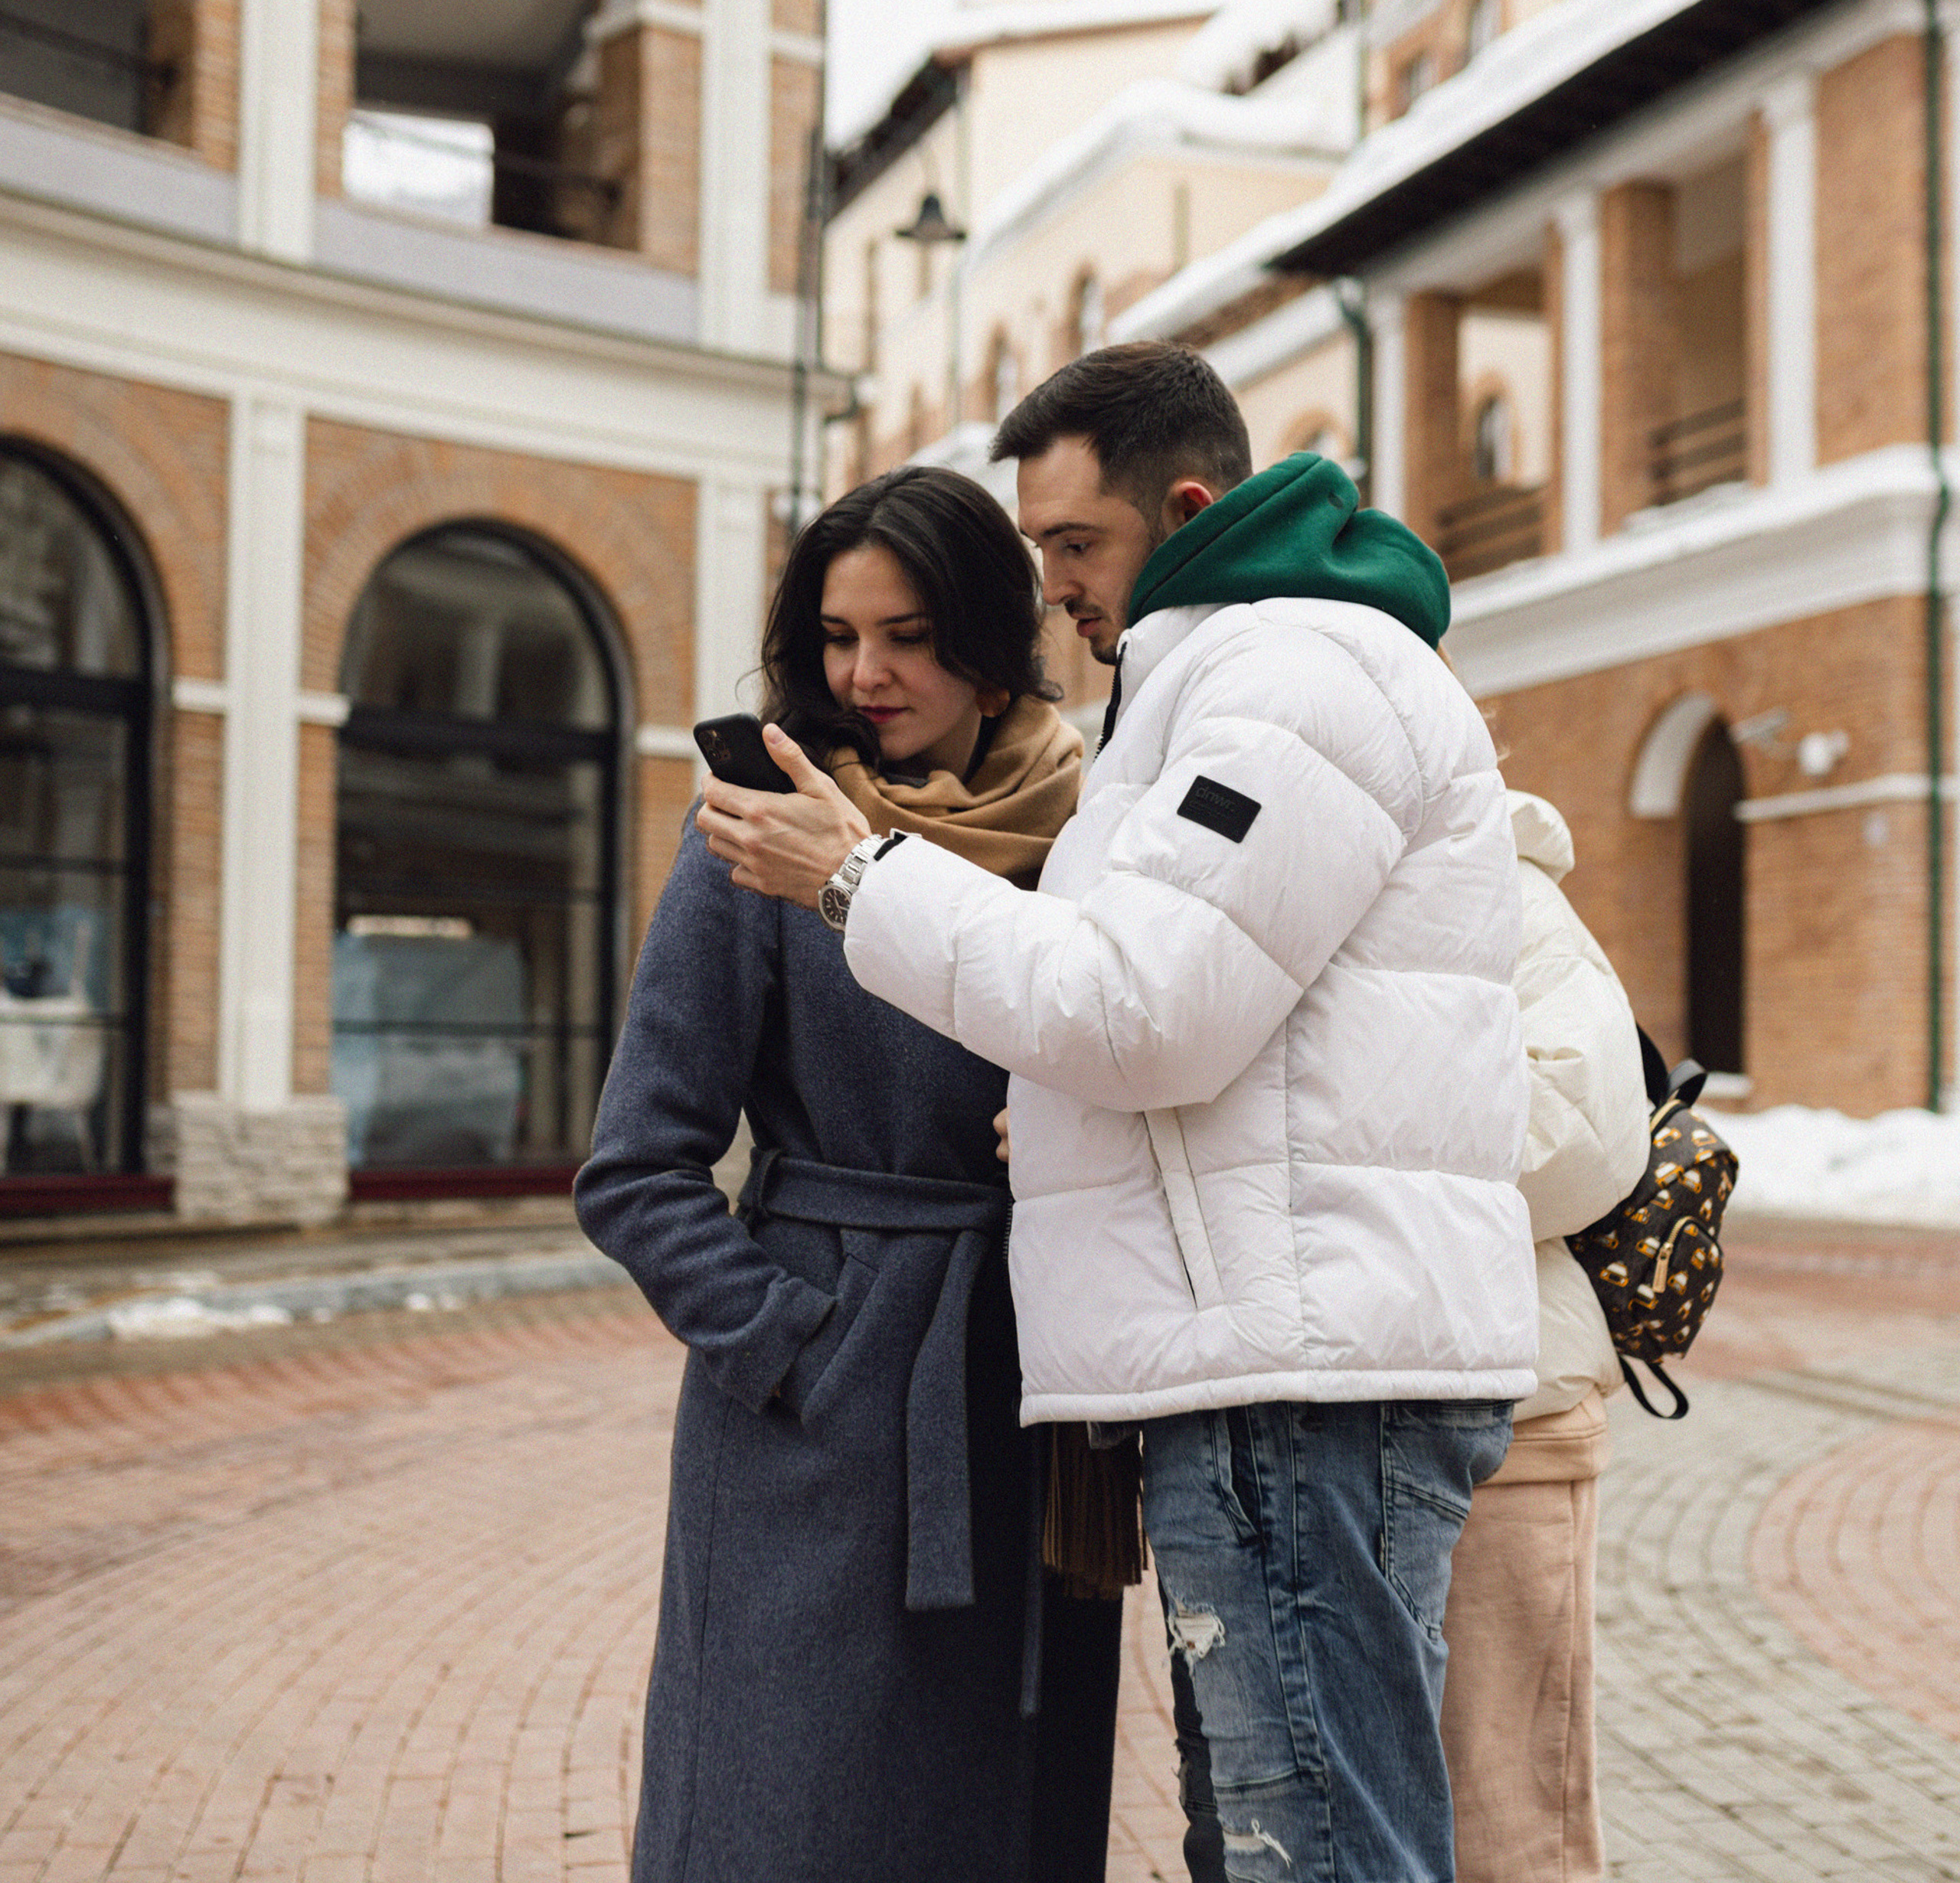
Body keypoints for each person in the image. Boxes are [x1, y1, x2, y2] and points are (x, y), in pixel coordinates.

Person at [697, 342, 1540, 1883]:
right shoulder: (1236, 680)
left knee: (1319, 1853)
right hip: (1284, 1356)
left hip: (1299, 1377)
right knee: (1280, 1841)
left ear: (1188, 505)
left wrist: (852, 875)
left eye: (1072, 543)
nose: (1051, 587)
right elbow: (1211, 1022)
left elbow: (1143, 1009)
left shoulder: (1286, 680)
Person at [575, 464, 1122, 1883]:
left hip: (1030, 1399)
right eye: (836, 635)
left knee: (1003, 1820)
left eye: (909, 634)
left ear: (995, 638)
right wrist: (794, 1346)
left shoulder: (1098, 834)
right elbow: (636, 1166)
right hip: (813, 1428)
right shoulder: (758, 832)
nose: (866, 673)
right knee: (786, 1812)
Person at [1438, 787, 1649, 1883]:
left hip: (1510, 1421)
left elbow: (1581, 1133)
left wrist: (1330, 1143)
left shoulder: (1509, 895)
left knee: (1512, 1819)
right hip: (1350, 1409)